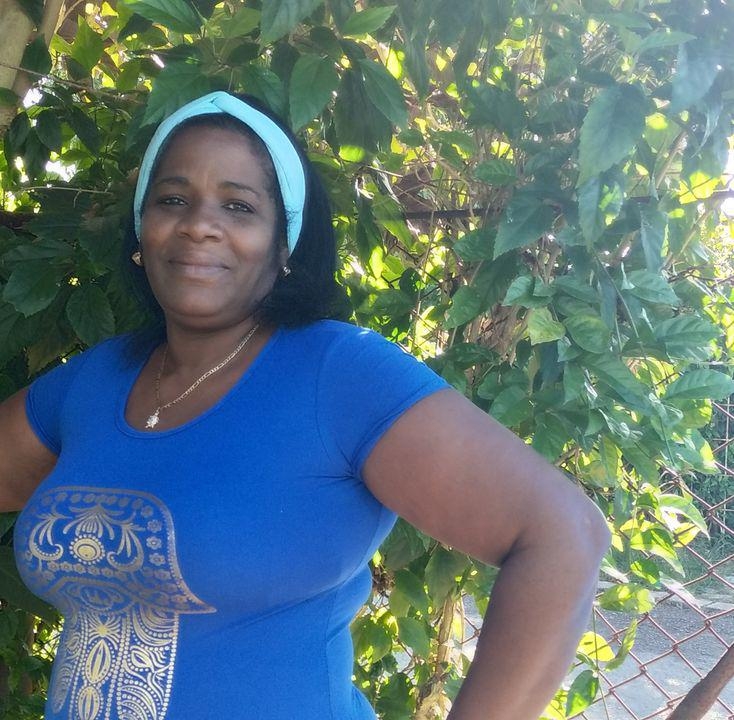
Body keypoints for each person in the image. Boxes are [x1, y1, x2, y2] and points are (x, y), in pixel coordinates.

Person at [0, 91, 610, 720]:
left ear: (284, 242)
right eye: (172, 200)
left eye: (239, 206)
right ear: (140, 229)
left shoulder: (338, 375)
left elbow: (565, 536)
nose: (198, 225)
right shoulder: (96, 380)